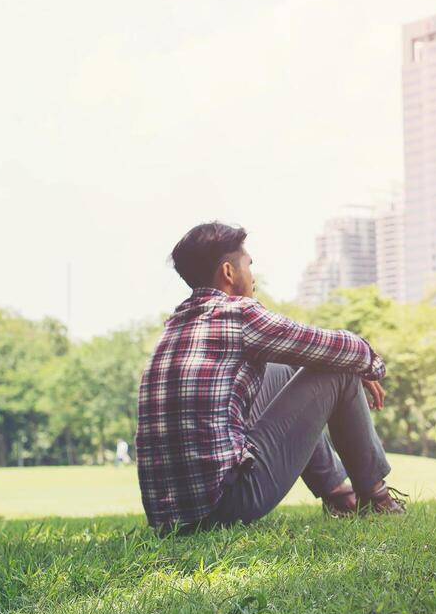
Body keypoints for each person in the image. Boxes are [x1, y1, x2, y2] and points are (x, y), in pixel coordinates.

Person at [136, 221, 405, 533]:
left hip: (171, 518)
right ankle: (376, 498)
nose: (252, 276)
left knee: (283, 370)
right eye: (248, 266)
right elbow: (333, 347)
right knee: (338, 369)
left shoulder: (175, 326)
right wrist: (367, 363)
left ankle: (338, 495)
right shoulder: (238, 314)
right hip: (226, 503)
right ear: (228, 272)